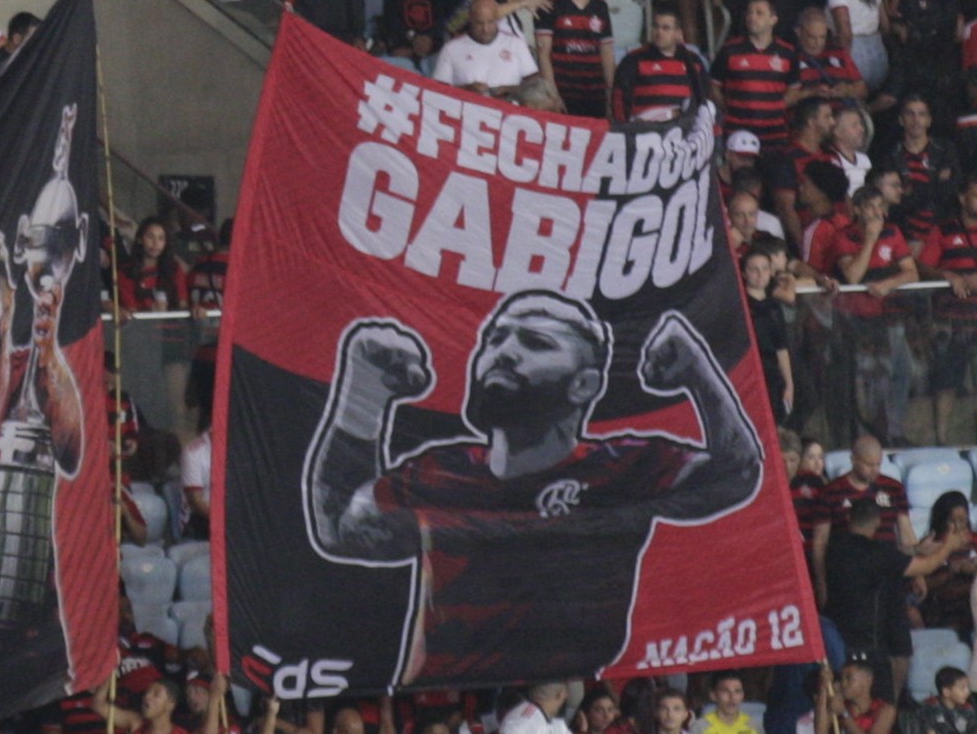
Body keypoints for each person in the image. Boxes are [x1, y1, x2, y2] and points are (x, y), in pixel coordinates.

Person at [310, 291, 761, 685]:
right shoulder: (438, 470)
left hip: (571, 706)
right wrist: (362, 391)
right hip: (445, 705)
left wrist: (698, 370)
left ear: (584, 385)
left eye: (536, 343)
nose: (502, 352)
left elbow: (738, 475)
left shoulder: (624, 466)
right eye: (495, 338)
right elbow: (338, 528)